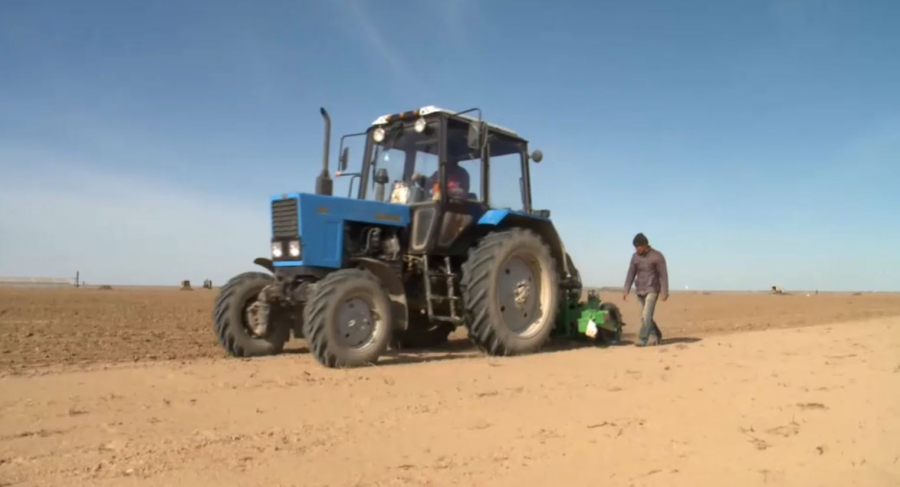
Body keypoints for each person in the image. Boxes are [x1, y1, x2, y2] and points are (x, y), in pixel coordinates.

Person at [623, 233, 669, 346]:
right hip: (639, 289)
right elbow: (631, 273)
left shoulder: (657, 256)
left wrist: (664, 292)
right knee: (644, 317)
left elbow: (663, 275)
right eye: (635, 247)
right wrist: (626, 289)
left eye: (638, 246)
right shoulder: (635, 257)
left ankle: (643, 339)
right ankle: (656, 335)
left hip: (652, 289)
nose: (637, 249)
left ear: (645, 245)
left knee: (646, 316)